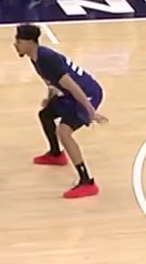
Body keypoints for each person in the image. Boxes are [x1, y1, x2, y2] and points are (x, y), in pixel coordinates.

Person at [15, 24, 106, 199]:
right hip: (70, 94)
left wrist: (90, 110)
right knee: (45, 114)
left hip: (86, 94)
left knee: (64, 132)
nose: (15, 44)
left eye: (18, 41)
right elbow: (52, 81)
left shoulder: (47, 59)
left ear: (29, 42)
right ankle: (56, 155)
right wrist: (49, 99)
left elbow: (72, 85)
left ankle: (87, 182)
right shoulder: (35, 56)